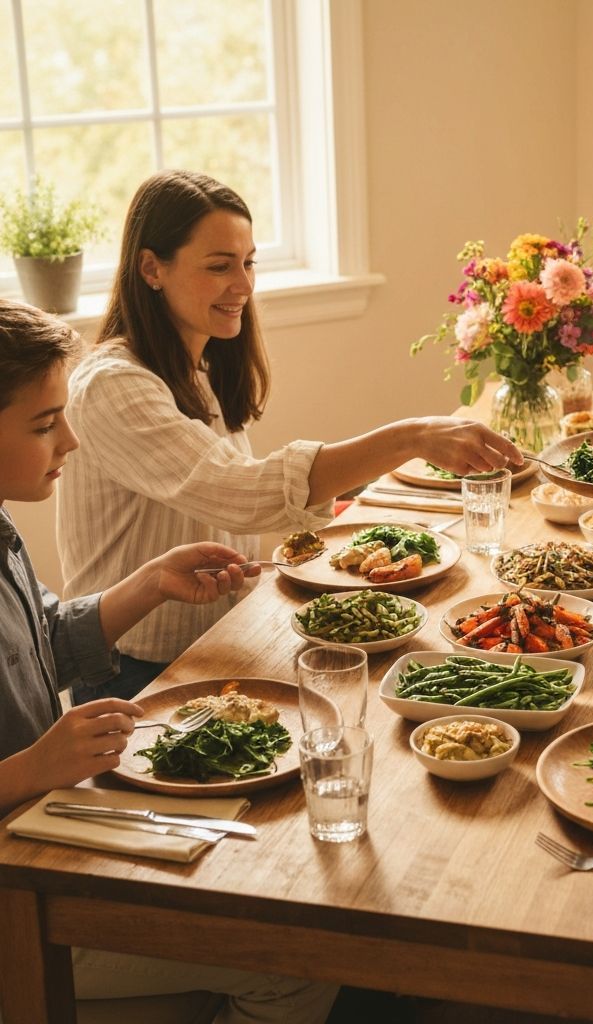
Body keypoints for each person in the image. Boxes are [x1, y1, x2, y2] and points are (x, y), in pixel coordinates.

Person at [58, 170, 522, 699]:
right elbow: (242, 493)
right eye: (219, 266)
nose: (243, 284)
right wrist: (407, 437)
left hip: (221, 644)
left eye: (249, 262)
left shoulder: (195, 369)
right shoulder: (112, 386)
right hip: (133, 674)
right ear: (151, 268)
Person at [0, 299, 336, 1022]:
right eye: (41, 424)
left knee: (278, 872)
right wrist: (30, 769)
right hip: (17, 898)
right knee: (298, 960)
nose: (70, 440)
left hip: (49, 830)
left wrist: (148, 584)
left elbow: (45, 640)